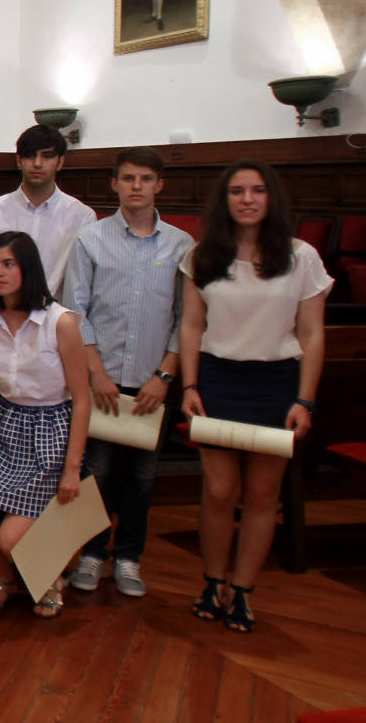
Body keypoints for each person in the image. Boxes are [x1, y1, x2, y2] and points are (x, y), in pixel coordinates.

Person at [179, 161, 329, 634]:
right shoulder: (204, 255)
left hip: (276, 383)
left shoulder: (301, 257)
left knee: (264, 495)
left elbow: (312, 332)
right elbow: (191, 325)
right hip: (219, 380)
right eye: (238, 191)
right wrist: (190, 385)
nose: (248, 199)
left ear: (272, 199)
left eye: (258, 190)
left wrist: (304, 400)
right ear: (224, 200)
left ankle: (243, 590)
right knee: (220, 492)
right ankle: (212, 580)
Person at [63, 147, 191, 599]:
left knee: (142, 474)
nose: (137, 186)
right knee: (95, 469)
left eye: (146, 179)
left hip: (153, 383)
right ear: (114, 185)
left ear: (160, 185)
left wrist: (166, 375)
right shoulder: (90, 240)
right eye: (128, 179)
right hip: (102, 379)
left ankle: (130, 556)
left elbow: (186, 317)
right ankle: (93, 552)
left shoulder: (180, 245)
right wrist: (94, 370)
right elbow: (76, 310)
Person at [0, 231, 93, 619]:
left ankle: (48, 577)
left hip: (51, 429)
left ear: (27, 268)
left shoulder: (59, 322)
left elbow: (82, 401)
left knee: (11, 537)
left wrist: (72, 469)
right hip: (3, 424)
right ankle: (6, 579)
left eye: (8, 264)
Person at [0, 125, 97, 296]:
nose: (37, 163)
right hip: (2, 309)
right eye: (30, 156)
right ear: (19, 161)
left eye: (47, 156)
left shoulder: (82, 216)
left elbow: (82, 279)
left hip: (56, 312)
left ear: (60, 162)